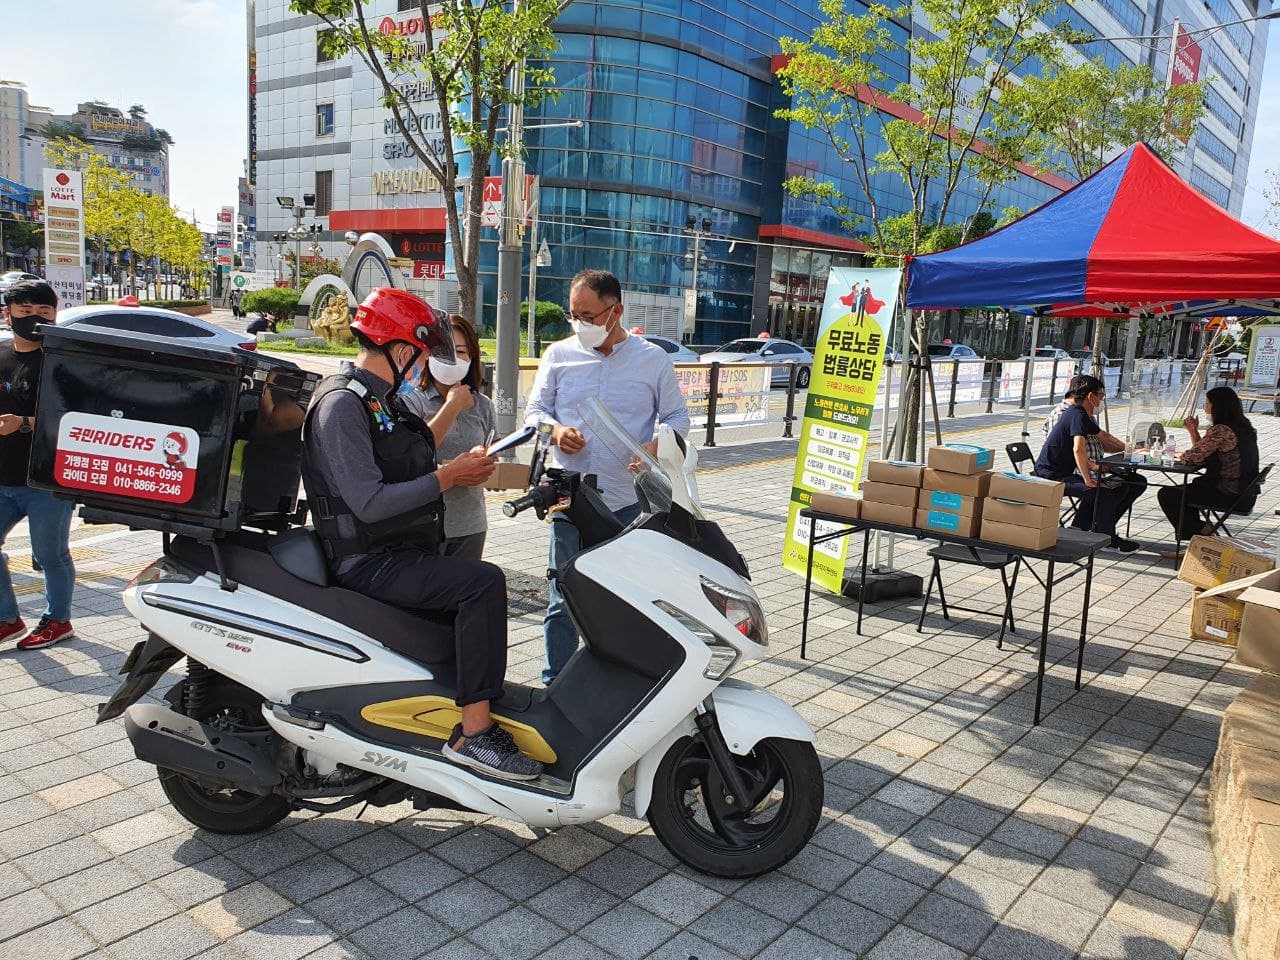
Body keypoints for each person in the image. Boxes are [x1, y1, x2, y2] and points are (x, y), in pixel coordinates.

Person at [301, 287, 544, 780]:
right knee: (481, 584)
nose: (423, 364)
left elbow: (411, 454)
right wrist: (447, 477)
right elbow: (368, 503)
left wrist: (457, 465)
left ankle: (449, 704)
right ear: (401, 350)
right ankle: (473, 735)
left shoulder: (382, 401)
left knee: (467, 591)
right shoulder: (342, 404)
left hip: (397, 549)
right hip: (366, 560)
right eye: (420, 352)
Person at [525, 268, 690, 685]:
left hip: (628, 502)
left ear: (616, 311)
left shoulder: (652, 360)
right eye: (573, 315)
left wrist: (654, 447)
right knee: (563, 596)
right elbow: (534, 414)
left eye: (588, 316)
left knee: (623, 597)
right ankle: (554, 683)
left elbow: (677, 417)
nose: (579, 324)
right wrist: (555, 432)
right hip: (569, 497)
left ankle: (619, 683)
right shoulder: (559, 356)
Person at [0, 280, 77, 649]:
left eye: (44, 312)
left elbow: (76, 422)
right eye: (25, 311)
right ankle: (7, 618)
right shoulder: (1, 356)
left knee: (50, 555)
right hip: (3, 478)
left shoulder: (62, 364)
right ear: (8, 314)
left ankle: (58, 621)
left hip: (47, 480)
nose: (34, 318)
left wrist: (23, 424)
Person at [400, 312, 497, 560]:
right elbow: (415, 453)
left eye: (461, 351)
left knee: (467, 584)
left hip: (469, 525)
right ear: (428, 354)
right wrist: (452, 406)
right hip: (422, 526)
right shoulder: (410, 401)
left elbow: (494, 451)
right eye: (444, 351)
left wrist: (488, 464)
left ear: (472, 357)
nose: (453, 359)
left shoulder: (483, 405)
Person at [1034, 374, 1147, 552]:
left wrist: (1131, 449)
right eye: (1101, 396)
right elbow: (1078, 448)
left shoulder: (1081, 414)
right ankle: (1105, 539)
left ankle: (1082, 529)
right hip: (1052, 475)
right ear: (1090, 396)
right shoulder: (1075, 414)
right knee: (1102, 492)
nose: (1101, 401)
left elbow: (1103, 436)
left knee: (1112, 486)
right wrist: (1088, 479)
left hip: (1065, 472)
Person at [1158, 386, 1259, 557]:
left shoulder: (1222, 431)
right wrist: (1193, 431)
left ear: (1217, 406)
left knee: (1169, 495)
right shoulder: (1243, 427)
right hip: (1243, 493)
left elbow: (1192, 457)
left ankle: (1204, 534)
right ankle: (1198, 541)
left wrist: (1182, 454)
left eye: (1207, 403)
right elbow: (1204, 452)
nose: (1205, 406)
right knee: (1184, 494)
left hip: (1227, 493)